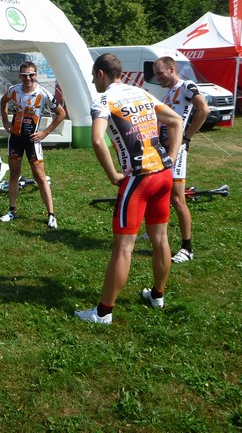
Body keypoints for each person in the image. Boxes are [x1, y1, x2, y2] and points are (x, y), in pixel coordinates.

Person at [75, 53, 183, 324]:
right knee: (161, 240)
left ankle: (103, 312)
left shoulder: (103, 100)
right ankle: (157, 295)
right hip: (163, 175)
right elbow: (176, 121)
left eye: (93, 77)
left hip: (137, 180)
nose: (93, 82)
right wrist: (170, 157)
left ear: (101, 74)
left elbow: (97, 140)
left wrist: (112, 173)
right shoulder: (141, 92)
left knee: (123, 249)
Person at [152, 56, 210, 263]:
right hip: (163, 150)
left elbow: (203, 109)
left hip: (177, 151)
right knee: (160, 193)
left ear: (172, 69)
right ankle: (157, 232)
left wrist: (185, 138)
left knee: (177, 199)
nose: (157, 77)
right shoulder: (167, 95)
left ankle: (187, 247)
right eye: (155, 74)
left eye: (160, 73)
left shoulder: (186, 86)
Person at [0, 61, 67, 228]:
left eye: (31, 75)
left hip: (32, 140)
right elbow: (3, 101)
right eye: (24, 75)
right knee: (14, 174)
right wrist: (5, 121)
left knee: (40, 176)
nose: (27, 78)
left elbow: (61, 113)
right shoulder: (14, 90)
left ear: (35, 75)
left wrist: (45, 132)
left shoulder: (43, 94)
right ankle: (12, 210)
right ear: (20, 76)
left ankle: (51, 215)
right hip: (15, 138)